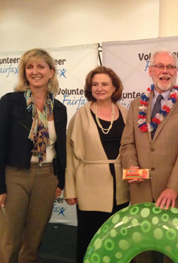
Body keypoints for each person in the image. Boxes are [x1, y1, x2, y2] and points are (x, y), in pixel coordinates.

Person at [120, 50, 178, 263]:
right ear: (150, 70)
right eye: (160, 66)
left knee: (173, 253)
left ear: (176, 71)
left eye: (171, 67)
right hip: (140, 192)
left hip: (174, 195)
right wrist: (132, 167)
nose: (165, 71)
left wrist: (173, 187)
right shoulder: (136, 104)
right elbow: (127, 143)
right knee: (141, 253)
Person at [0, 48, 67, 263]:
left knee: (33, 242)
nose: (35, 71)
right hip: (15, 176)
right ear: (25, 72)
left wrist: (60, 179)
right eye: (30, 67)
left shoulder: (59, 108)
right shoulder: (10, 103)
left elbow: (60, 148)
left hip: (46, 177)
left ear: (50, 72)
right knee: (9, 241)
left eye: (41, 67)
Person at [64, 66, 130, 263]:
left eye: (104, 84)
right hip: (89, 187)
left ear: (114, 87)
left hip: (121, 188)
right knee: (90, 238)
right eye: (95, 84)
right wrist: (70, 189)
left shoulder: (126, 112)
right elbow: (70, 155)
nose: (99, 88)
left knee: (118, 239)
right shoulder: (81, 115)